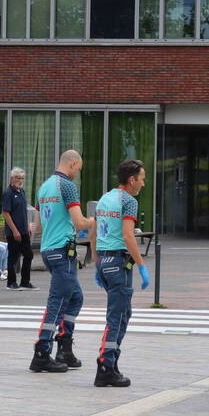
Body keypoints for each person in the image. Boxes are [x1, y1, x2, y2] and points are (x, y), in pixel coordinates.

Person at [29, 150, 94, 373]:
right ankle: (41, 352)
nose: (78, 173)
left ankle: (64, 347)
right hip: (62, 250)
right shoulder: (67, 186)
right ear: (73, 163)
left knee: (75, 297)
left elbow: (37, 222)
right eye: (78, 169)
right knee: (57, 302)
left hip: (49, 248)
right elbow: (79, 223)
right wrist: (97, 220)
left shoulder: (45, 186)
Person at [90, 158, 150, 388]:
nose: (143, 184)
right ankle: (105, 366)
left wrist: (97, 262)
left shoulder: (105, 198)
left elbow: (94, 233)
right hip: (118, 261)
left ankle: (111, 363)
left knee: (123, 313)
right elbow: (128, 236)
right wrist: (142, 265)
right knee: (117, 317)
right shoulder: (129, 201)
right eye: (142, 179)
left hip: (105, 261)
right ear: (132, 179)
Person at [1, 167, 37, 291]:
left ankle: (25, 281)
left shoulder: (22, 192)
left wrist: (27, 225)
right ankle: (11, 283)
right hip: (14, 232)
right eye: (18, 178)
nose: (20, 180)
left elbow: (23, 211)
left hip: (24, 231)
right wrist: (15, 230)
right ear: (12, 178)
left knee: (28, 255)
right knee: (13, 257)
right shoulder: (8, 193)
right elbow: (6, 213)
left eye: (22, 178)